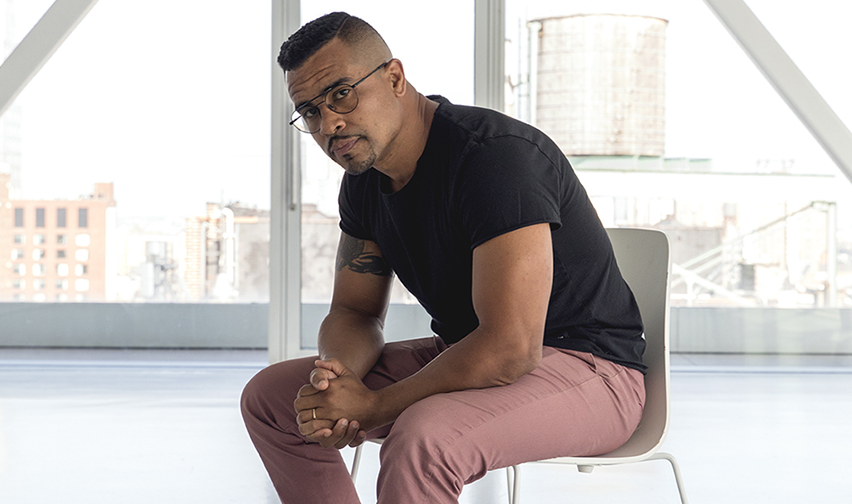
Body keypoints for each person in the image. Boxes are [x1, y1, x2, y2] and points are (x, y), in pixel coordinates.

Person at [241, 11, 646, 504]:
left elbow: (512, 347)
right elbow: (354, 312)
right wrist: (336, 384)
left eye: (341, 94)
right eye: (309, 111)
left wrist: (373, 407)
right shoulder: (363, 183)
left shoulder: (493, 158)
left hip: (592, 372)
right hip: (469, 356)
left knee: (423, 440)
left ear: (394, 78)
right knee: (272, 398)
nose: (329, 123)